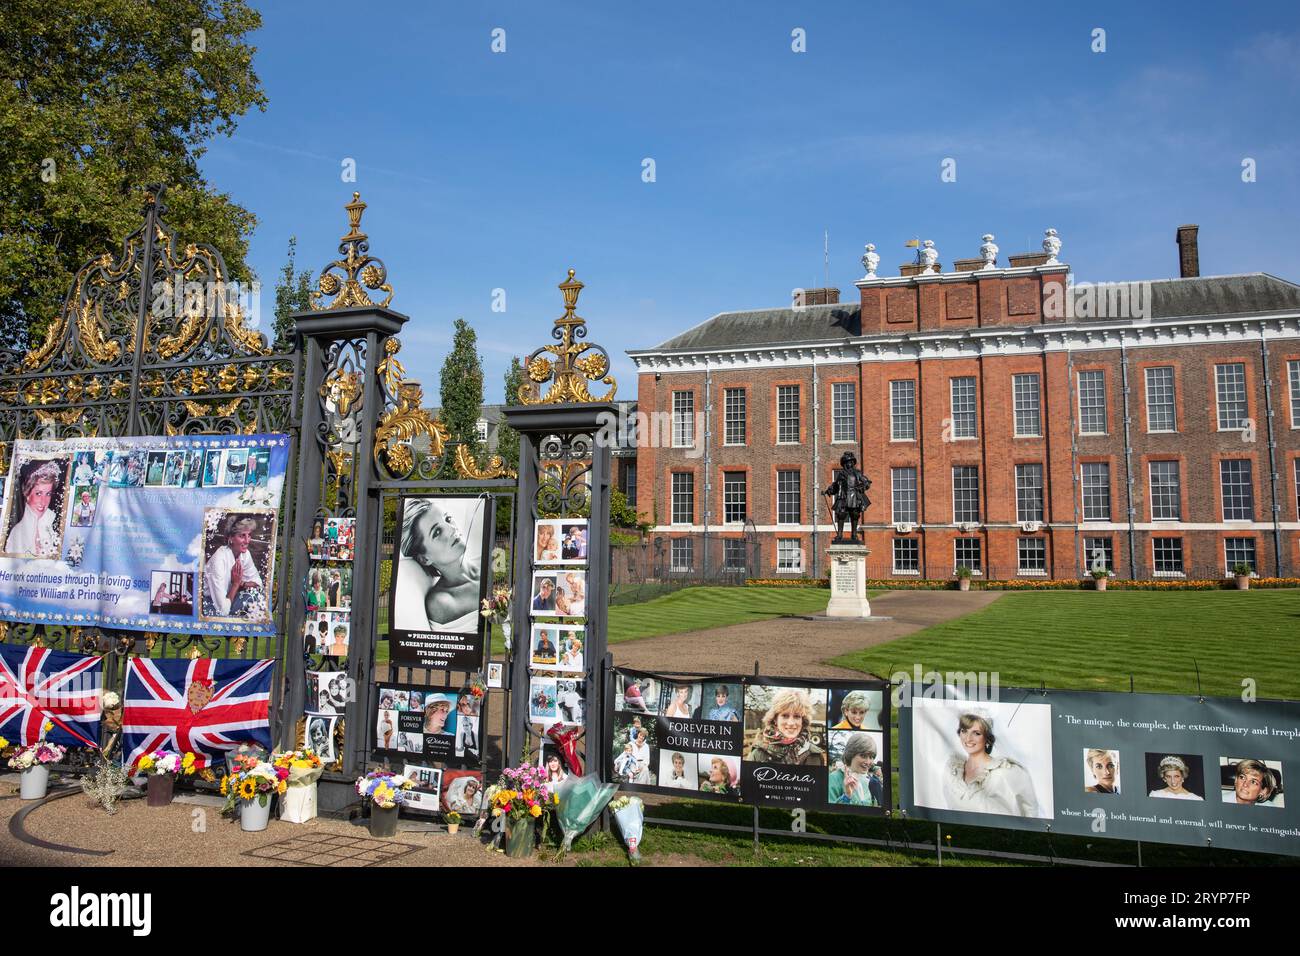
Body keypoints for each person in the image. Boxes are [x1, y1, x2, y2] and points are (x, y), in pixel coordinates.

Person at [396, 499, 482, 632]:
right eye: (436, 532)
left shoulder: (488, 567)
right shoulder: (441, 602)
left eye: (448, 519)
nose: (451, 529)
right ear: (424, 559)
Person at [942, 711, 1040, 817]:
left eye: (976, 733)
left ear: (987, 739)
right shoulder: (953, 770)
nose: (968, 738)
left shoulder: (1007, 771)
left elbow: (1030, 811)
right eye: (964, 731)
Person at [203, 515, 264, 617]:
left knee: (256, 596)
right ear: (231, 538)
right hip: (211, 604)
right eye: (242, 536)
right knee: (250, 601)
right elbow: (222, 610)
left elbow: (258, 584)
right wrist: (236, 584)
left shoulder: (245, 554)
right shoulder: (219, 560)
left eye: (249, 535)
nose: (247, 540)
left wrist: (242, 584)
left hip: (230, 599)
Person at [747, 688, 825, 765]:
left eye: (797, 716)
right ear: (775, 719)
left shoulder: (816, 756)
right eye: (785, 716)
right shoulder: (758, 755)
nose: (791, 723)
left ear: (803, 721)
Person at [5, 460, 63, 557]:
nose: (43, 501)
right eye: (38, 493)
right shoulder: (17, 533)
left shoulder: (53, 526)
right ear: (27, 494)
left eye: (48, 494)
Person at [828, 733, 882, 806]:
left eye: (871, 757)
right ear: (851, 754)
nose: (868, 762)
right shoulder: (833, 779)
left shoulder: (869, 781)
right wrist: (847, 796)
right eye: (863, 756)